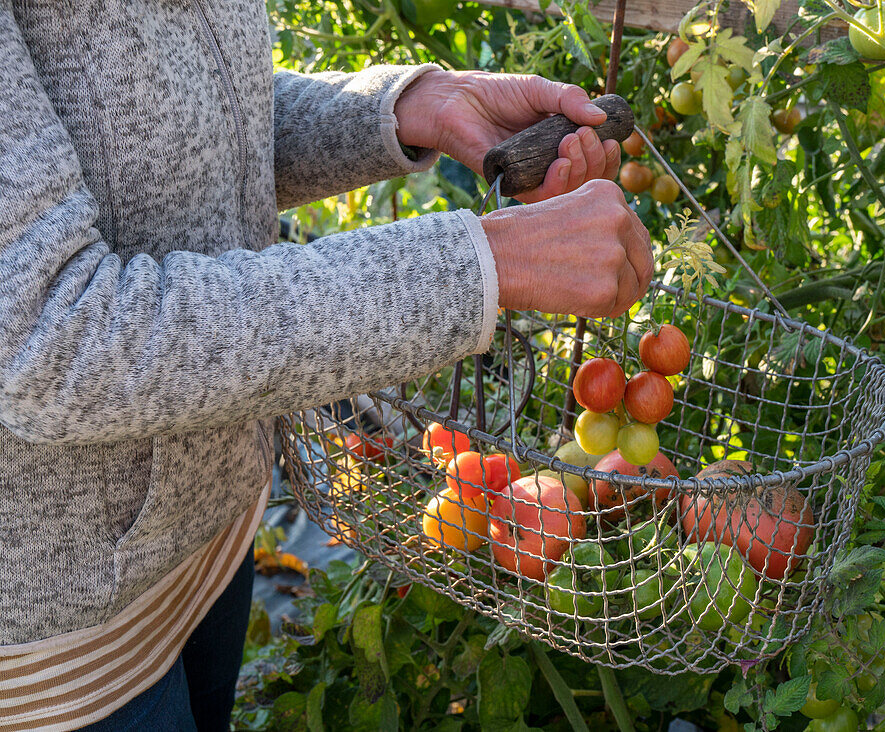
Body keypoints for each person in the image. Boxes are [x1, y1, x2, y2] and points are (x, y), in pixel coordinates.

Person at [0, 2, 653, 730]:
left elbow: (185, 115)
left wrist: (402, 109)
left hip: (207, 540)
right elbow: (51, 342)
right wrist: (473, 267)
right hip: (64, 646)